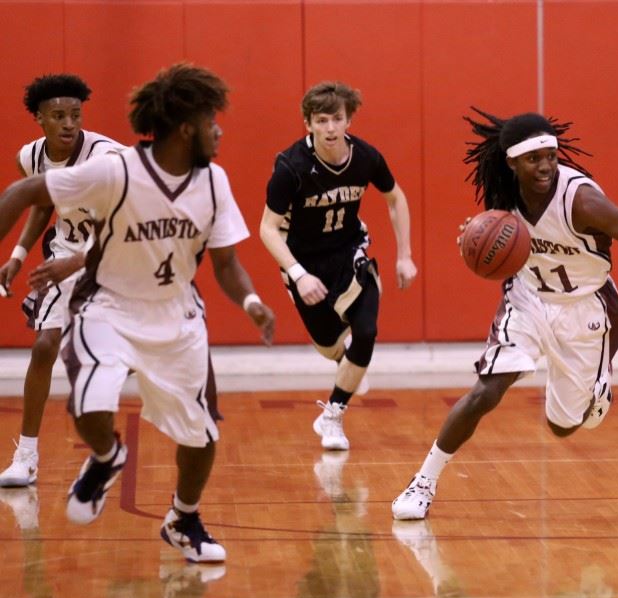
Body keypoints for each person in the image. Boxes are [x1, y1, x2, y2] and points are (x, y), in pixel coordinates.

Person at [0, 62, 275, 562]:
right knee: (87, 405)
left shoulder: (213, 181)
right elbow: (23, 194)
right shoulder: (117, 170)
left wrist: (253, 301)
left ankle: (184, 518)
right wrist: (18, 254)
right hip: (109, 305)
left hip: (176, 316)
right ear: (187, 127)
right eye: (212, 120)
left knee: (202, 430)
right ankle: (106, 458)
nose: (220, 129)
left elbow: (227, 261)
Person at [391, 109, 618, 520]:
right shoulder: (504, 196)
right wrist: (474, 236)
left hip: (585, 307)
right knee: (486, 390)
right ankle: (423, 481)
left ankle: (599, 380)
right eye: (534, 158)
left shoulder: (581, 201)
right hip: (528, 300)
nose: (545, 166)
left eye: (551, 156)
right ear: (513, 162)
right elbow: (494, 239)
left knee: (564, 426)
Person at [260, 81, 417, 452]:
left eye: (337, 119)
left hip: (350, 252)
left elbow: (396, 199)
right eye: (322, 120)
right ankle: (347, 364)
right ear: (308, 123)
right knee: (331, 346)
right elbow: (267, 228)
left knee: (366, 331)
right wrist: (298, 275)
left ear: (350, 121)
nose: (330, 127)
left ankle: (332, 414)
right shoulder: (291, 167)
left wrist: (405, 254)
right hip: (304, 261)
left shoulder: (365, 157)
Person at [0, 74, 124, 489]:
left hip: (114, 256)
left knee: (102, 358)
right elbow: (42, 202)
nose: (69, 123)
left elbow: (123, 225)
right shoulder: (31, 157)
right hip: (66, 255)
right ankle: (26, 456)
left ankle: (108, 449)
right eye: (58, 116)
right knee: (44, 346)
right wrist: (17, 256)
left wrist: (75, 263)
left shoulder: (105, 156)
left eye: (75, 114)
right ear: (39, 120)